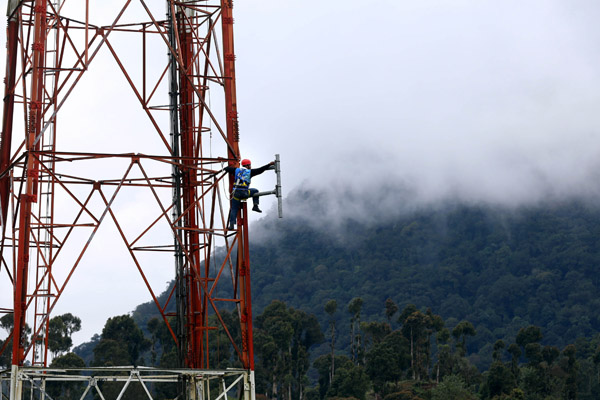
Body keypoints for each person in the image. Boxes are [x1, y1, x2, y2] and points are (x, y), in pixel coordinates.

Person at [224, 158, 274, 230]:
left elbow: (227, 168)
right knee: (255, 190)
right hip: (245, 193)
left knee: (234, 208)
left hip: (236, 194)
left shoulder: (236, 170)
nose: (250, 166)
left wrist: (229, 169)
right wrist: (269, 164)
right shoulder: (249, 172)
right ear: (247, 166)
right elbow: (260, 170)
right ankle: (255, 206)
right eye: (250, 165)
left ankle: (231, 224)